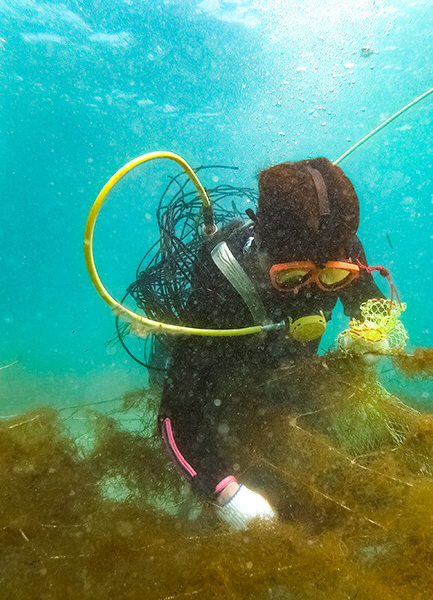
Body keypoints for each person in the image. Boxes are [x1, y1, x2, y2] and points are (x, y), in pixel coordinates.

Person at [156, 157, 385, 530]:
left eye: (331, 276)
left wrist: (374, 335)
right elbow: (175, 414)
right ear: (262, 246)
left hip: (289, 372)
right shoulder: (221, 277)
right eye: (292, 275)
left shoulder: (342, 247)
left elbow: (371, 307)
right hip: (223, 370)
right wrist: (223, 492)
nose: (310, 292)